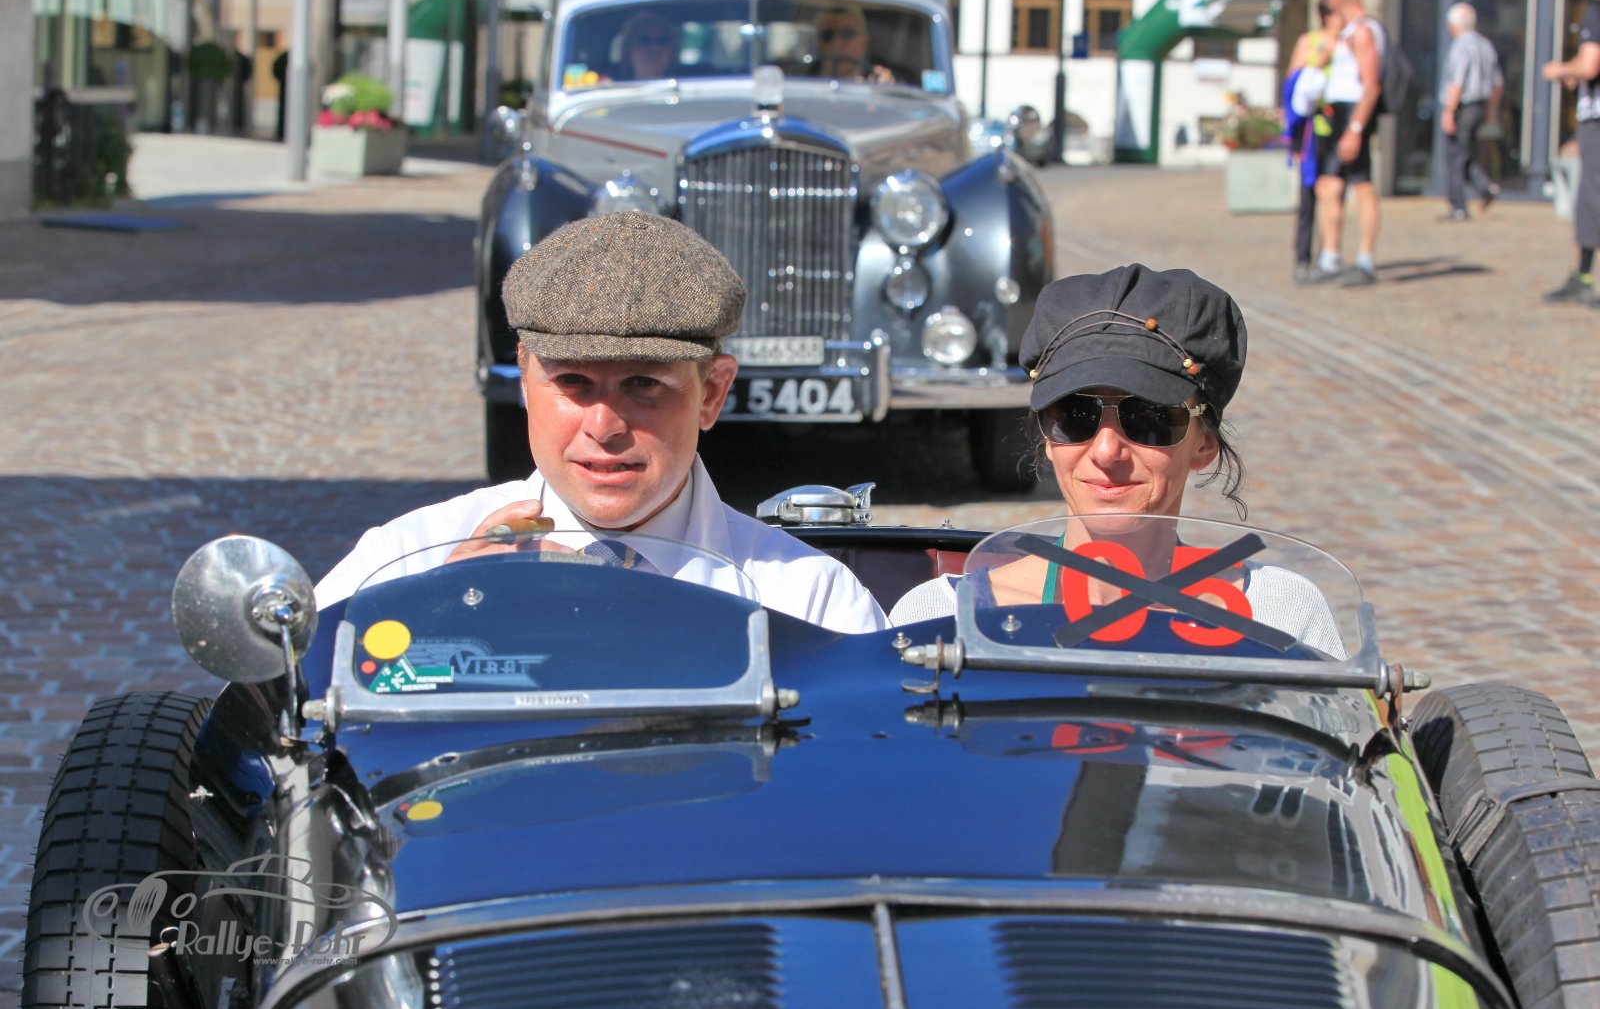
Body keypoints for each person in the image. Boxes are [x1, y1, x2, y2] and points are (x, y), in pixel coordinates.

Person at [315, 212, 888, 633]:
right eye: (572, 382)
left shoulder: (809, 603)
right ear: (524, 378)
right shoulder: (405, 561)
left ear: (712, 392)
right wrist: (427, 619)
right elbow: (298, 716)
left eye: (643, 384)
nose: (605, 425)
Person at [888, 264, 1342, 657]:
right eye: (1074, 415)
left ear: (1204, 444)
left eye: (1148, 418)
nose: (1106, 451)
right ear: (1047, 438)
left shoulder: (1279, 614)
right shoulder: (942, 619)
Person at [1313, 0, 1385, 287]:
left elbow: (1371, 86)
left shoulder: (1364, 31)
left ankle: (1365, 259)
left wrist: (1355, 129)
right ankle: (1329, 257)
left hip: (1353, 115)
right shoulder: (1350, 31)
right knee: (1329, 185)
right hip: (1339, 113)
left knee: (1362, 185)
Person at [1542, 0, 1600, 307]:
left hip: (1597, 121)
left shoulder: (1596, 10)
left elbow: (1590, 64)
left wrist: (1559, 70)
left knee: (1591, 199)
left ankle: (1583, 278)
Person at [1285, 0, 1343, 284]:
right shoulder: (1310, 42)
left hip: (1337, 126)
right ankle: (1303, 259)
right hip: (1312, 128)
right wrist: (1319, 62)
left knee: (1334, 193)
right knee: (1308, 196)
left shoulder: (1347, 42)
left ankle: (1329, 256)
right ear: (1328, 15)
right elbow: (1292, 82)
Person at [1438, 2, 1504, 222]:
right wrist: (1490, 111)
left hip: (1463, 106)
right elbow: (1498, 84)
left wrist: (1449, 111)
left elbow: (1457, 82)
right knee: (1465, 152)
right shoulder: (1485, 45)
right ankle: (1485, 186)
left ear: (1453, 25)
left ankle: (1458, 206)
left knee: (1455, 156)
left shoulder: (1461, 46)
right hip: (1480, 105)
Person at [811, 5, 894, 84]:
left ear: (863, 41)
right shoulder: (804, 78)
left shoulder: (874, 81)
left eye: (847, 34)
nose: (836, 44)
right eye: (827, 35)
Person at [617, 11, 679, 81]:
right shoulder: (610, 86)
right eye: (644, 41)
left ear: (672, 53)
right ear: (628, 51)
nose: (654, 49)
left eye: (662, 42)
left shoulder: (686, 85)